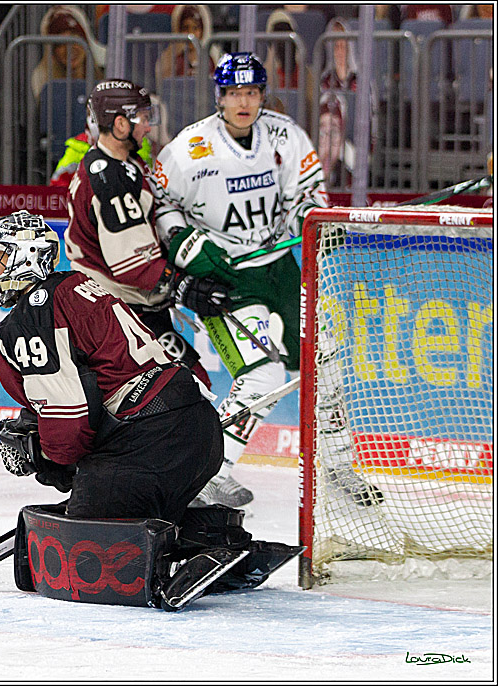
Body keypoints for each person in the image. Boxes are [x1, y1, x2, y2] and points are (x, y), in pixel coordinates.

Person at [0, 210, 300, 612]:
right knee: (122, 508)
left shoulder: (33, 317)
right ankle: (225, 539)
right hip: (197, 430)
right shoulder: (77, 286)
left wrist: (48, 458)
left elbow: (70, 418)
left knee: (83, 547)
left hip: (148, 443)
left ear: (25, 258)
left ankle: (198, 556)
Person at [153, 52, 383, 509]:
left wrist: (312, 218)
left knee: (326, 362)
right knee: (262, 375)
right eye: (235, 93)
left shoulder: (285, 135)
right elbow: (161, 205)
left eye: (252, 92)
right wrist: (193, 252)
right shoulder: (188, 148)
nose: (244, 102)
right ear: (220, 97)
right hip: (227, 281)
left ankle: (336, 463)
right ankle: (206, 472)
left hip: (280, 271)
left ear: (262, 95)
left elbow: (310, 192)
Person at [64, 79, 215, 392]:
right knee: (188, 388)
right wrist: (181, 284)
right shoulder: (109, 178)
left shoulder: (124, 165)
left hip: (128, 307)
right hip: (116, 313)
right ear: (120, 124)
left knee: (190, 386)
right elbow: (133, 266)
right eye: (144, 119)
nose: (148, 127)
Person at [318, 18, 378, 188]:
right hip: (329, 141)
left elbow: (372, 119)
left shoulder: (362, 80)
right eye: (335, 46)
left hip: (355, 142)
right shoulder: (325, 80)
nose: (339, 51)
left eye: (343, 46)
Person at [30, 6, 106, 101]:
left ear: (85, 42)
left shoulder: (106, 77)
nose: (69, 49)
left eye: (74, 39)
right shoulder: (46, 87)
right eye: (61, 44)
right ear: (53, 53)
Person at [155, 5, 218, 80]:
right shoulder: (169, 60)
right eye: (185, 28)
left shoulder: (212, 58)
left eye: (195, 28)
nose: (191, 33)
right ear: (179, 29)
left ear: (202, 30)